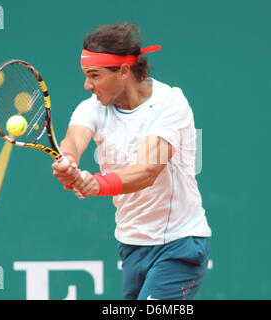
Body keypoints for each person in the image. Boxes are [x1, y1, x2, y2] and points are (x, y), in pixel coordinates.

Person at [52, 22, 211, 300]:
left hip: (179, 244)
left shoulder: (170, 104)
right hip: (131, 245)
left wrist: (95, 184)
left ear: (124, 71)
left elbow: (148, 171)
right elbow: (74, 139)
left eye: (94, 75)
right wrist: (68, 161)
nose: (87, 85)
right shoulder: (92, 107)